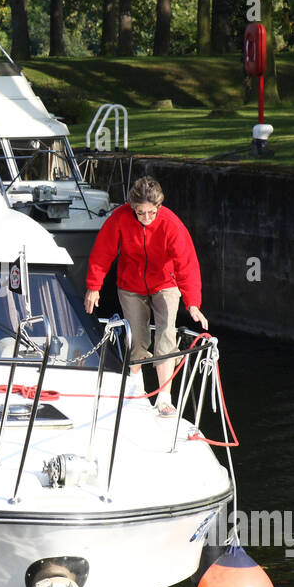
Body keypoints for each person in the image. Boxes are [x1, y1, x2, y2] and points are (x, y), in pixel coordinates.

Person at [83, 175, 208, 416]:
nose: (147, 218)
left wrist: (193, 303)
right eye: (140, 213)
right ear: (132, 208)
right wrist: (93, 286)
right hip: (130, 284)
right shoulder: (119, 219)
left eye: (151, 212)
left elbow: (187, 265)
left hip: (165, 283)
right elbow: (102, 253)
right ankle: (136, 389)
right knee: (137, 337)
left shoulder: (171, 224)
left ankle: (164, 397)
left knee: (165, 334)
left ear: (158, 207)